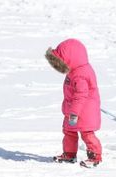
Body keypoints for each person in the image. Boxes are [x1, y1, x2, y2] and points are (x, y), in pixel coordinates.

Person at [45, 38, 102, 168]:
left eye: (61, 61)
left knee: (87, 133)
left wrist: (74, 113)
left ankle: (95, 156)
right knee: (69, 131)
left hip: (83, 112)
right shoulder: (74, 71)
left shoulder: (80, 75)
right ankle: (69, 154)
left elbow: (80, 96)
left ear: (71, 58)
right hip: (73, 110)